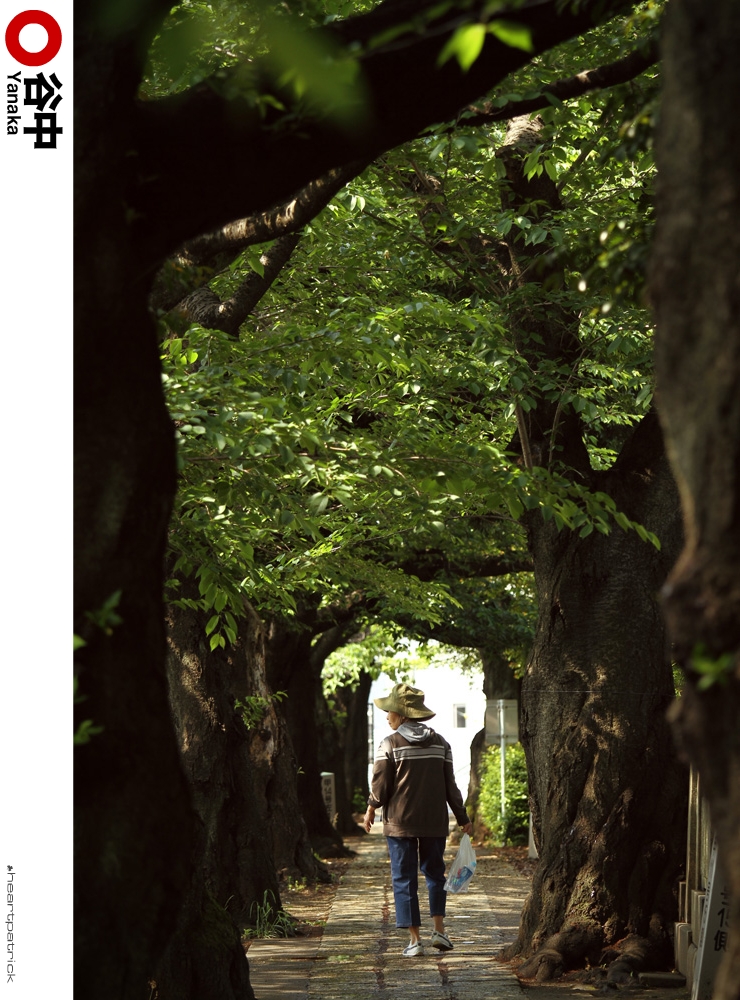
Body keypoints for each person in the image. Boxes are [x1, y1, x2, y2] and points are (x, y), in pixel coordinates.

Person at [363, 682, 473, 957]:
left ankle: (415, 941)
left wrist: (370, 808)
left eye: (390, 711)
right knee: (435, 874)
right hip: (435, 823)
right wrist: (463, 818)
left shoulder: (388, 744)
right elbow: (451, 787)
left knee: (404, 878)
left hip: (400, 825)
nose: (387, 716)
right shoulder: (441, 743)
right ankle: (440, 931)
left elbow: (380, 786)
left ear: (401, 715)